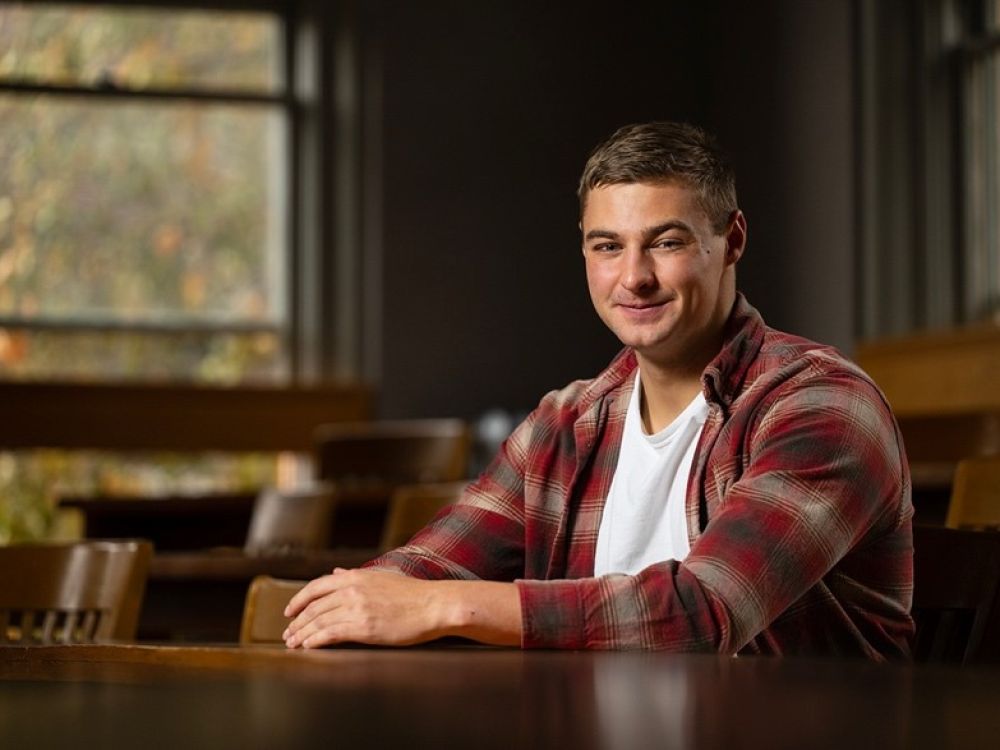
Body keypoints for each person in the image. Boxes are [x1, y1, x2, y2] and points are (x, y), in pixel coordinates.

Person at [283, 122, 914, 658]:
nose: (634, 277)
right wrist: (356, 604)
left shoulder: (823, 405)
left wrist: (446, 607)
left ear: (732, 242)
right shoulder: (565, 422)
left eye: (666, 243)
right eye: (608, 246)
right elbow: (424, 570)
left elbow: (703, 614)